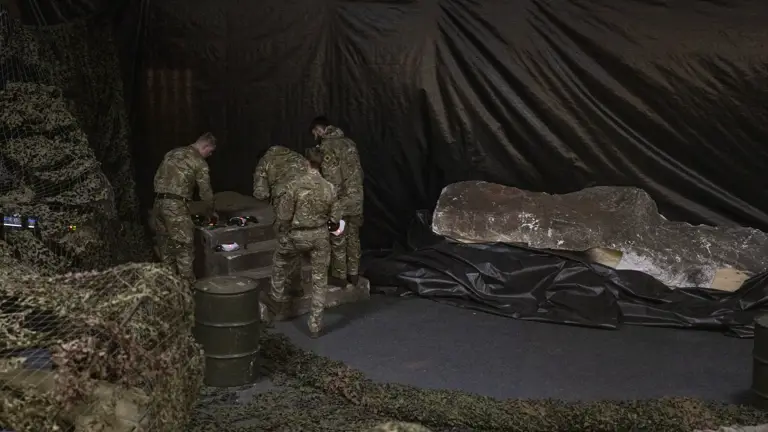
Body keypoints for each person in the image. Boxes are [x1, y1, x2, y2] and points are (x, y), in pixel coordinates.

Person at [268, 147, 342, 338]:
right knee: (319, 280)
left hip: (296, 236)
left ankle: (275, 304)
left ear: (305, 162)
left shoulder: (294, 185)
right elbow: (335, 218)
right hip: (319, 237)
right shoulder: (330, 187)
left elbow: (283, 216)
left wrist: (283, 231)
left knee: (280, 262)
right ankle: (315, 324)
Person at [151, 132, 216, 285]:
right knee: (184, 249)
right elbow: (206, 192)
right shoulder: (199, 162)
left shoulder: (172, 153)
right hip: (176, 207)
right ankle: (188, 292)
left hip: (158, 204)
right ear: (205, 146)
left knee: (166, 250)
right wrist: (211, 211)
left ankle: (169, 289)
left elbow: (158, 176)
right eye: (210, 151)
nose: (210, 155)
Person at [309, 116, 364, 288]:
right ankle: (353, 275)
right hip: (356, 197)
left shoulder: (327, 147)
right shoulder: (350, 143)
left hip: (340, 202)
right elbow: (359, 172)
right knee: (354, 238)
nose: (315, 137)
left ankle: (339, 277)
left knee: (338, 237)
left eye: (315, 133)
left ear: (319, 129)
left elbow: (333, 180)